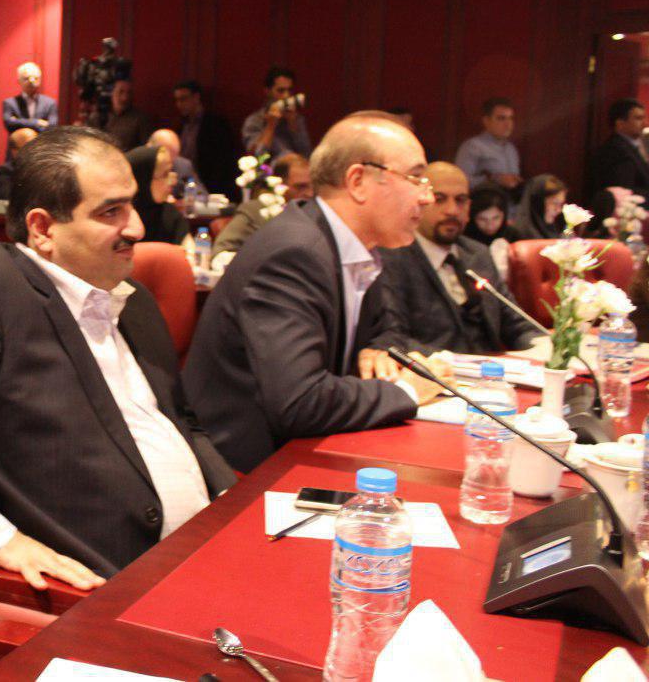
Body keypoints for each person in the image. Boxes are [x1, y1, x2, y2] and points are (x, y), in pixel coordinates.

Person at [0, 127, 236, 583]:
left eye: (131, 205)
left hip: (211, 553)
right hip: (105, 590)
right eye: (110, 211)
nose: (136, 227)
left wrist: (233, 502)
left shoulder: (132, 299)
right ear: (43, 228)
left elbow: (181, 421)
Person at [183, 113, 447, 473]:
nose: (427, 196)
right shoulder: (294, 253)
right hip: (243, 469)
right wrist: (408, 391)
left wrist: (380, 349)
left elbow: (387, 329)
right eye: (416, 178)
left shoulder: (359, 248)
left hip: (312, 447)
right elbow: (300, 401)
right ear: (358, 181)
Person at [374, 162, 540, 356]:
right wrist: (454, 364)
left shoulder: (478, 253)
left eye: (460, 200)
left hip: (493, 369)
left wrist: (543, 345)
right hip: (436, 370)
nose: (452, 210)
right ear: (420, 202)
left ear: (469, 207)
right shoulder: (392, 257)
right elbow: (393, 338)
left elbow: (517, 324)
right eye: (439, 199)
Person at [213, 152, 313, 254]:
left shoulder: (315, 212)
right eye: (301, 187)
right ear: (279, 184)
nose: (310, 193)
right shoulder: (255, 211)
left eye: (312, 186)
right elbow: (222, 249)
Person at [173, 80, 241, 198]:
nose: (179, 104)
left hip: (212, 186)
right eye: (177, 100)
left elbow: (224, 160)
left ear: (196, 97)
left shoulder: (216, 124)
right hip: (185, 186)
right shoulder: (180, 126)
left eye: (183, 99)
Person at [240, 66, 312, 159]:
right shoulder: (254, 121)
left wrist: (293, 126)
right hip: (269, 167)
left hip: (296, 166)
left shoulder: (296, 119)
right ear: (268, 91)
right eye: (281, 91)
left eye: (289, 90)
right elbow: (257, 157)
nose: (286, 96)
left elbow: (307, 155)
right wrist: (270, 126)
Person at [126, 145, 189, 246]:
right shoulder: (123, 220)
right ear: (143, 180)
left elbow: (189, 250)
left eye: (171, 171)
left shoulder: (171, 214)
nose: (173, 181)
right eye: (165, 174)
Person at [454, 97, 522, 191]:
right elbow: (460, 181)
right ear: (486, 121)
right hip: (483, 198)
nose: (508, 124)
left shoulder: (511, 149)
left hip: (511, 199)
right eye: (501, 118)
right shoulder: (472, 146)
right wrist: (494, 180)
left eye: (511, 118)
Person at [589, 98, 649, 202]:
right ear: (620, 123)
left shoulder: (631, 146)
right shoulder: (615, 150)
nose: (645, 124)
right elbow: (624, 189)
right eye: (638, 118)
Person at [1, 61, 57, 137]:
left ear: (40, 80)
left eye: (35, 78)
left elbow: (52, 126)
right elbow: (9, 124)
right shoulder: (10, 103)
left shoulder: (50, 103)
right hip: (18, 144)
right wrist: (36, 122)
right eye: (26, 78)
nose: (31, 82)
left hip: (41, 143)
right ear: (19, 81)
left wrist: (18, 122)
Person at [95, 78, 151, 152]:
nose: (125, 98)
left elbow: (146, 149)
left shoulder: (140, 119)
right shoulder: (99, 116)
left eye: (129, 93)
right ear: (112, 93)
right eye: (120, 92)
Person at [514, 174, 569, 239]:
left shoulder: (553, 228)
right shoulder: (520, 234)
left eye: (560, 204)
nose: (559, 210)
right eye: (554, 203)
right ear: (538, 203)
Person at [148, 129, 198, 199]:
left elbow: (200, 194)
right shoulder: (136, 166)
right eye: (167, 155)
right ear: (149, 148)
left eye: (174, 156)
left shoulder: (184, 165)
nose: (171, 163)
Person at [0, 127, 37, 200]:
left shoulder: (46, 168)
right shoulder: (5, 171)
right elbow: (4, 199)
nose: (36, 151)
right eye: (30, 147)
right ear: (14, 151)